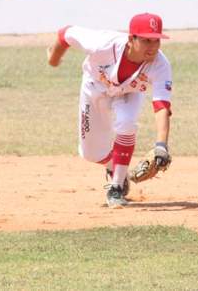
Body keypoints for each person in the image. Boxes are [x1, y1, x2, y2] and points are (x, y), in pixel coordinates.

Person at [46, 13, 173, 208]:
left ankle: (116, 187)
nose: (153, 46)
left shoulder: (160, 65)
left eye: (156, 40)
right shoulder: (102, 44)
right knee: (91, 153)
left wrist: (161, 145)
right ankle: (114, 165)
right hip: (94, 88)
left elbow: (162, 105)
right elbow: (65, 33)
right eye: (146, 40)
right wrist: (54, 58)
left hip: (128, 93)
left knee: (127, 123)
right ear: (131, 38)